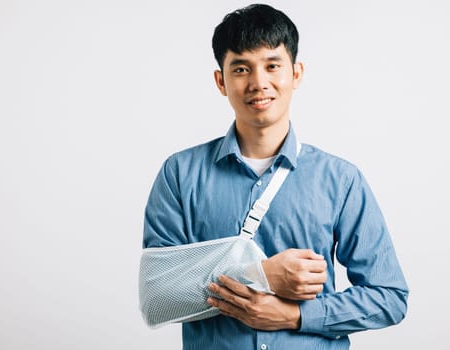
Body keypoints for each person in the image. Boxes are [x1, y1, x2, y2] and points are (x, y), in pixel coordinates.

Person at [141, 3, 408, 349]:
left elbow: (389, 297)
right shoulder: (179, 174)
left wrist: (295, 316)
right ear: (221, 81)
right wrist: (260, 276)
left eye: (272, 66)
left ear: (295, 74)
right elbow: (157, 296)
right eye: (241, 68)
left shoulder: (340, 180)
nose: (258, 82)